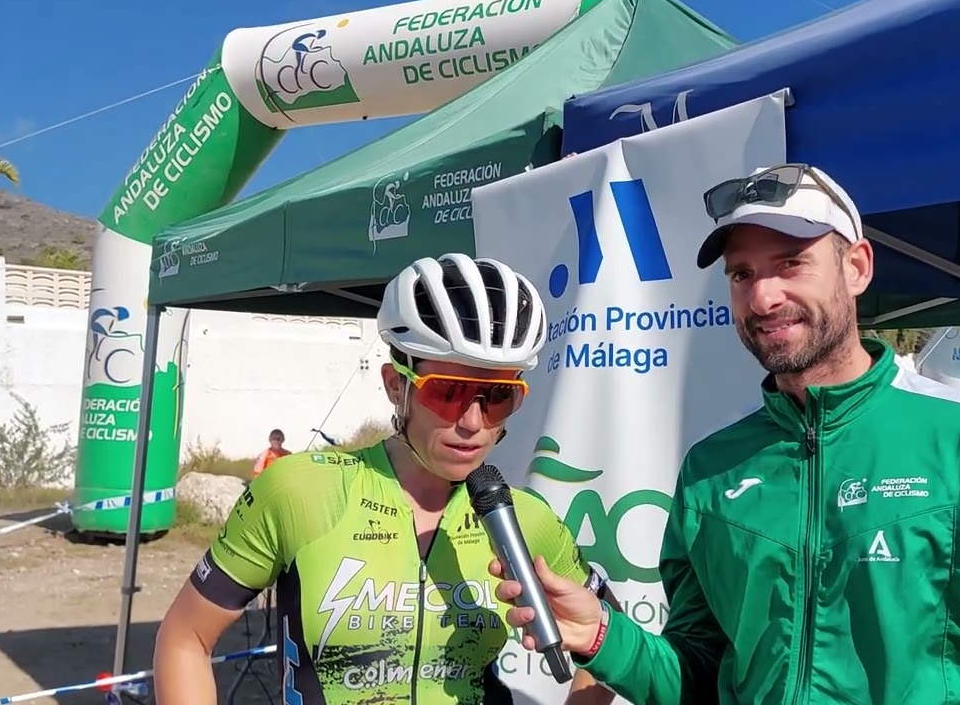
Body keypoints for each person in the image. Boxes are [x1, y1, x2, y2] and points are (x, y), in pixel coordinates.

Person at [490, 164, 960, 704]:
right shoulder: (712, 468)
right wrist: (604, 637)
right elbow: (702, 677)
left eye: (792, 263)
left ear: (857, 267)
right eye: (742, 274)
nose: (763, 297)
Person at [154, 253, 615, 705]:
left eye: (497, 397)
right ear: (397, 385)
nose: (473, 422)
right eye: (447, 392)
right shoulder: (300, 490)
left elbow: (610, 640)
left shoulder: (524, 518)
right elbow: (186, 637)